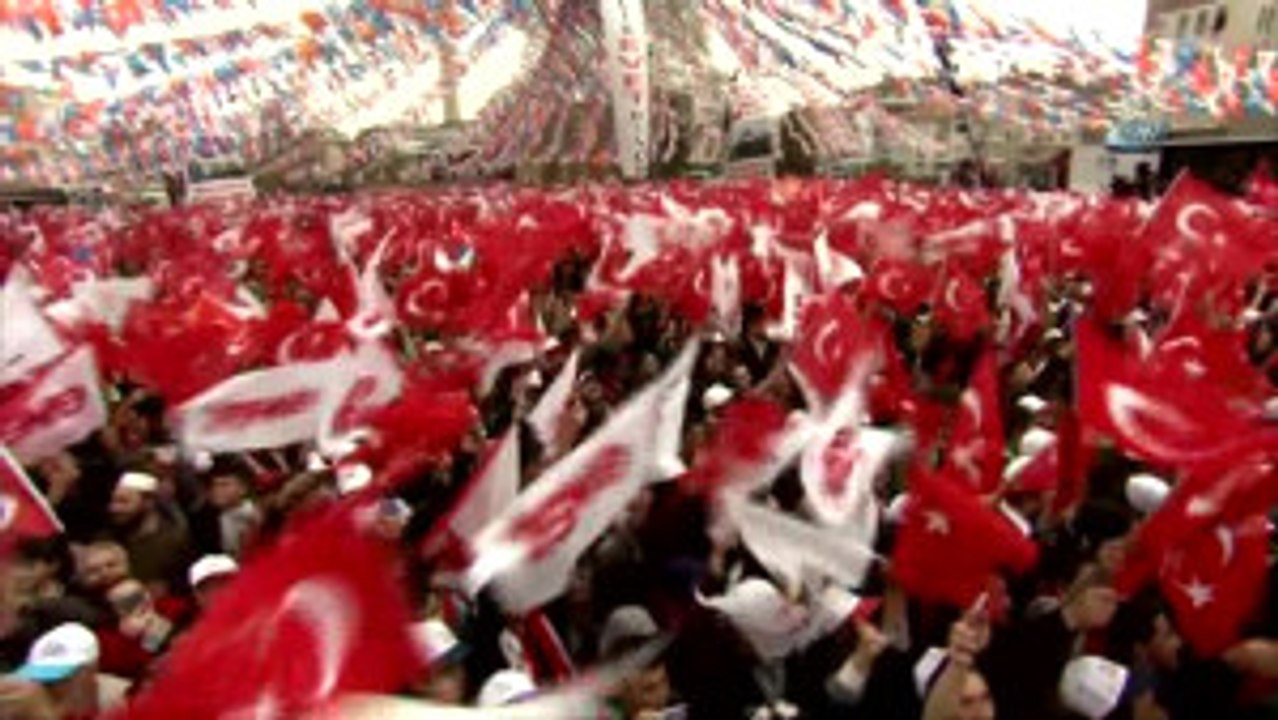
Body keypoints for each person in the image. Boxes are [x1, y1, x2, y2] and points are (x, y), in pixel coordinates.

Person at [9, 623, 129, 719]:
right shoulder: (25, 709)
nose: (51, 689)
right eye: (40, 679)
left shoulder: (120, 702)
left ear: (90, 671)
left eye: (60, 679)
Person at [106, 472, 191, 596]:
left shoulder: (175, 540)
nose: (114, 508)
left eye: (123, 502)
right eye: (113, 501)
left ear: (148, 503)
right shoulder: (108, 537)